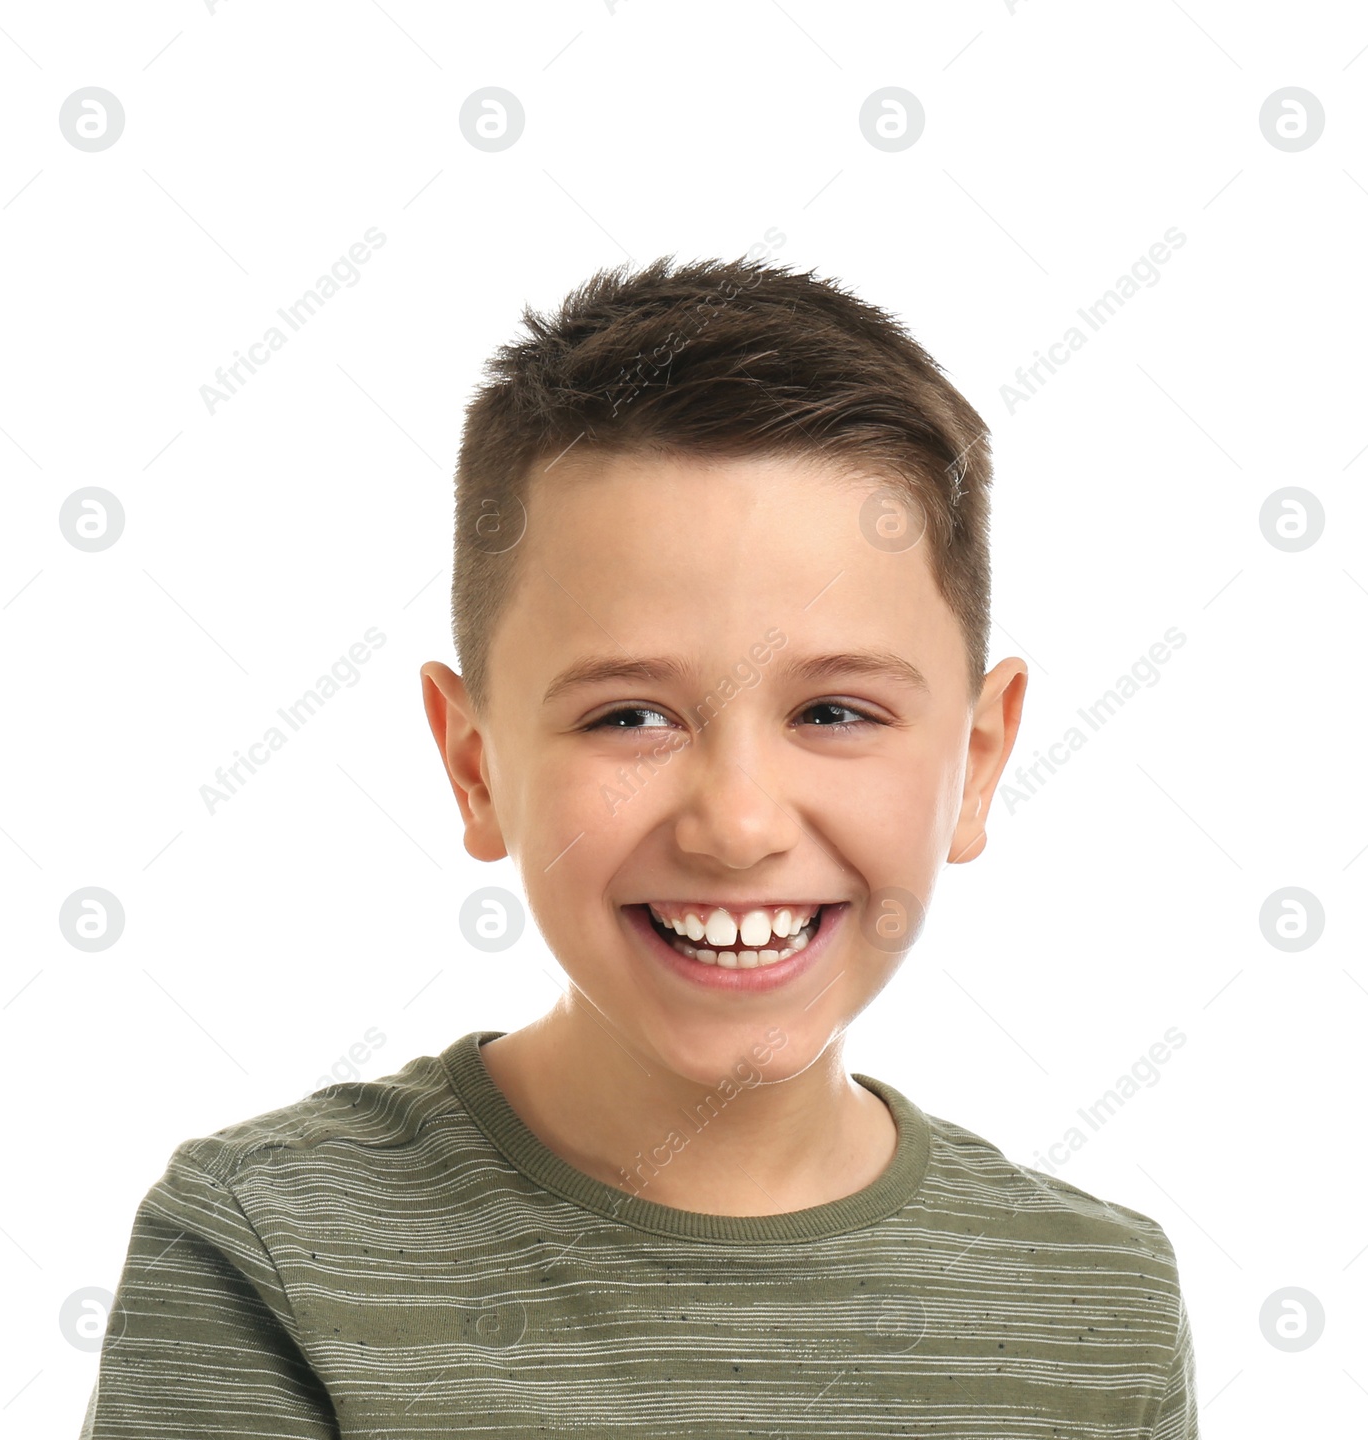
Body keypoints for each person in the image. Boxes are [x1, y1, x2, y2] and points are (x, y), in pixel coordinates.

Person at [81, 255, 1198, 1437]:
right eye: (630, 717)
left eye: (834, 712)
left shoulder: (1098, 1303)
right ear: (475, 764)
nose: (738, 824)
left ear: (973, 763)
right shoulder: (269, 1248)